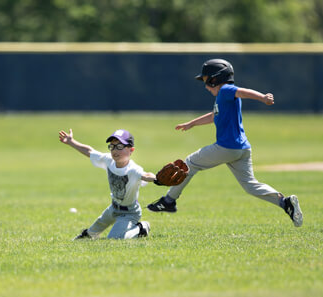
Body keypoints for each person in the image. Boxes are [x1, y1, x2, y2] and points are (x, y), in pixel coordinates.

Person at [147, 58, 303, 227]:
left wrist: (263, 98)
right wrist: (192, 123)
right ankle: (285, 203)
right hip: (242, 149)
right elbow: (214, 116)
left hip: (226, 147)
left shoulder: (226, 90)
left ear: (216, 78)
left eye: (206, 81)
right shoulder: (224, 97)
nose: (206, 86)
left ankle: (169, 201)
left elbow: (242, 91)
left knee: (189, 163)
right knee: (250, 185)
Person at [59, 128, 156, 240]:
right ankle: (89, 234)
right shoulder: (109, 160)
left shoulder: (133, 170)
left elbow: (146, 175)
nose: (115, 150)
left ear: (131, 150)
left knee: (115, 238)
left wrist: (158, 178)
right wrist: (72, 142)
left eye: (120, 146)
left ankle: (141, 228)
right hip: (114, 207)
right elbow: (89, 151)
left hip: (130, 212)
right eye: (112, 146)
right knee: (91, 234)